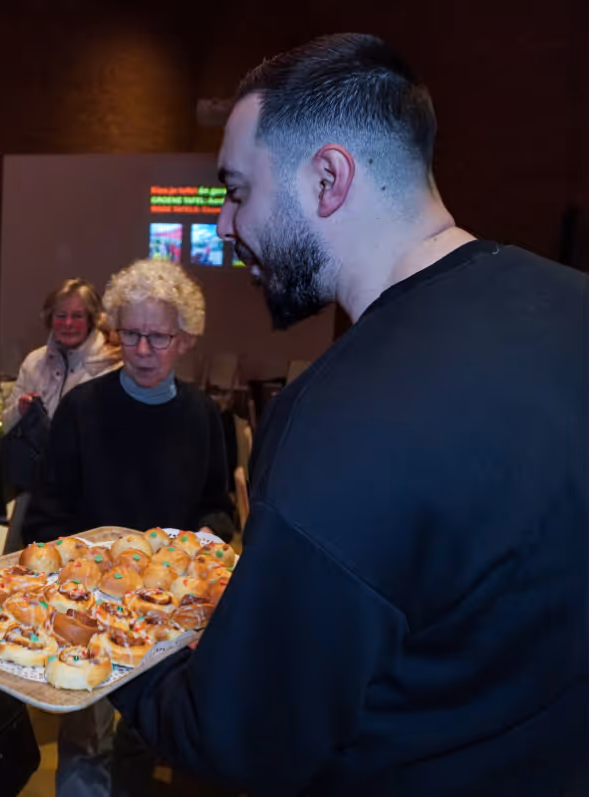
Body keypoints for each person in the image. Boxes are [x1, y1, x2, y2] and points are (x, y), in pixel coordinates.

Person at [110, 34, 587, 796]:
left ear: (327, 178)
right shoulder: (576, 307)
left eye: (237, 191)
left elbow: (239, 740)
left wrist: (108, 654)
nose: (228, 227)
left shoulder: (335, 417)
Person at [23, 259, 236, 797]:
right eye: (132, 335)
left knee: (145, 739)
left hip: (165, 615)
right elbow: (48, 514)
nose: (143, 350)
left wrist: (207, 541)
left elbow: (216, 507)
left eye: (158, 337)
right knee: (85, 743)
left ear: (185, 339)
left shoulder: (201, 415)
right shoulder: (82, 409)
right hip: (87, 607)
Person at [3, 277, 121, 432]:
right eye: (61, 315)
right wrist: (20, 410)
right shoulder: (34, 362)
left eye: (77, 316)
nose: (68, 324)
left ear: (90, 320)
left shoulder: (112, 364)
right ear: (50, 319)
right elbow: (6, 426)